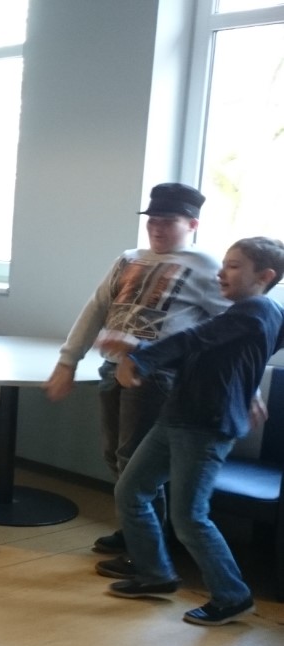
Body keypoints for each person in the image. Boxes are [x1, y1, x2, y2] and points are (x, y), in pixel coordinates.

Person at [104, 236, 284, 626]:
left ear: (265, 276)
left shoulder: (257, 310)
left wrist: (140, 358)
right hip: (177, 416)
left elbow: (192, 339)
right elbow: (208, 354)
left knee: (189, 516)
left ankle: (232, 596)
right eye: (224, 263)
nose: (221, 272)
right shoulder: (247, 315)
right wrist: (137, 350)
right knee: (132, 490)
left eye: (234, 266)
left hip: (206, 426)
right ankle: (155, 573)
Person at [44, 183, 230, 553]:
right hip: (112, 368)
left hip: (155, 376)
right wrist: (67, 362)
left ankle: (147, 548)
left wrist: (246, 387)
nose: (157, 229)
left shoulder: (207, 267)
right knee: (114, 456)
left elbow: (230, 330)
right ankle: (137, 531)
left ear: (192, 224)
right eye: (152, 221)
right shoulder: (128, 259)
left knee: (138, 463)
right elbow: (96, 308)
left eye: (168, 222)